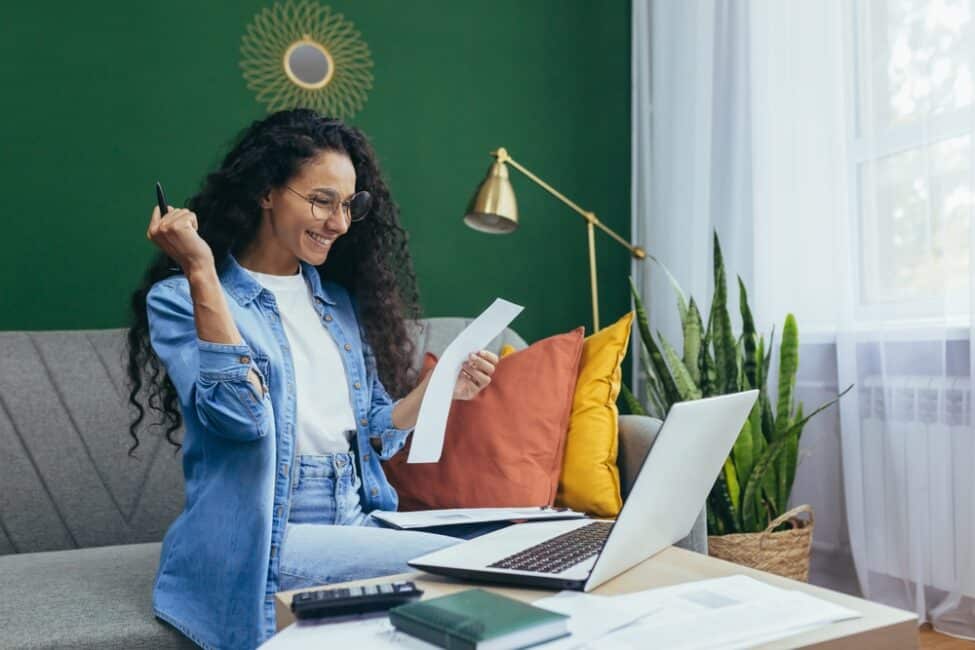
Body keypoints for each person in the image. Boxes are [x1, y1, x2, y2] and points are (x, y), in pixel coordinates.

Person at [125, 109, 499, 650]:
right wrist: (201, 270)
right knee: (464, 566)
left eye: (349, 205)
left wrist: (441, 390)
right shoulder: (183, 299)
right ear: (266, 193)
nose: (340, 223)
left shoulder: (337, 305)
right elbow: (241, 420)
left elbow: (373, 432)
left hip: (355, 516)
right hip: (265, 537)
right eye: (322, 201)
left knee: (512, 544)